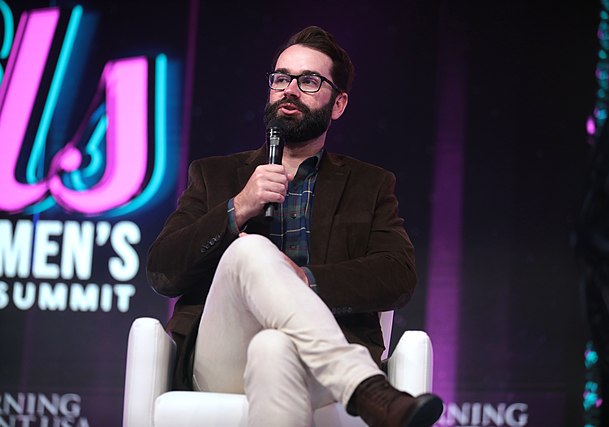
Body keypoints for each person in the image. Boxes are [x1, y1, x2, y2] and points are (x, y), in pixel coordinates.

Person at [147, 25, 443, 427]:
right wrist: (237, 207)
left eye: (308, 81)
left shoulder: (368, 185)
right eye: (281, 78)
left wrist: (305, 279)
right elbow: (163, 271)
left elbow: (398, 274)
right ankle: (367, 388)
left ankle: (356, 381)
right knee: (249, 250)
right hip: (223, 354)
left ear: (337, 104)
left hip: (315, 361)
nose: (289, 89)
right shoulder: (214, 175)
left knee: (274, 348)